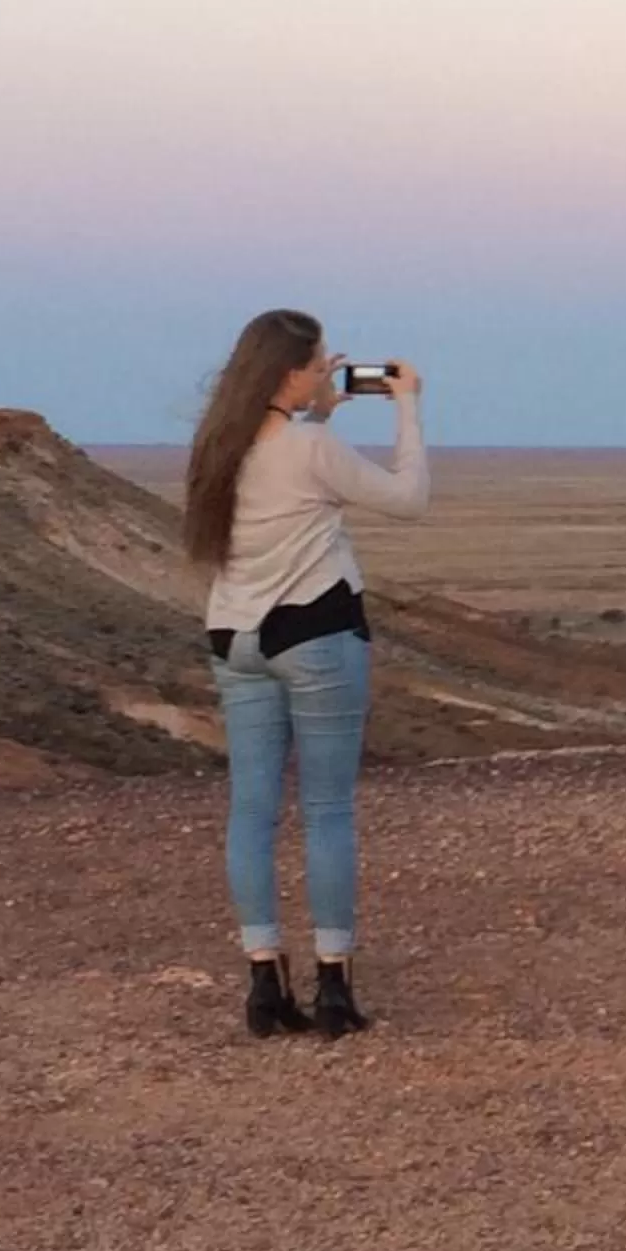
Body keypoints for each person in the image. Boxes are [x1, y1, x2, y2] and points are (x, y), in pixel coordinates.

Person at [180, 309, 428, 1038]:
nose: (328, 374)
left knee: (251, 811)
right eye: (320, 365)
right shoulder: (311, 449)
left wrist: (316, 407)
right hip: (315, 632)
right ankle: (334, 987)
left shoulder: (215, 447)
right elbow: (408, 499)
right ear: (290, 372)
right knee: (326, 810)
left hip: (235, 636)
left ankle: (264, 983)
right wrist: (407, 405)